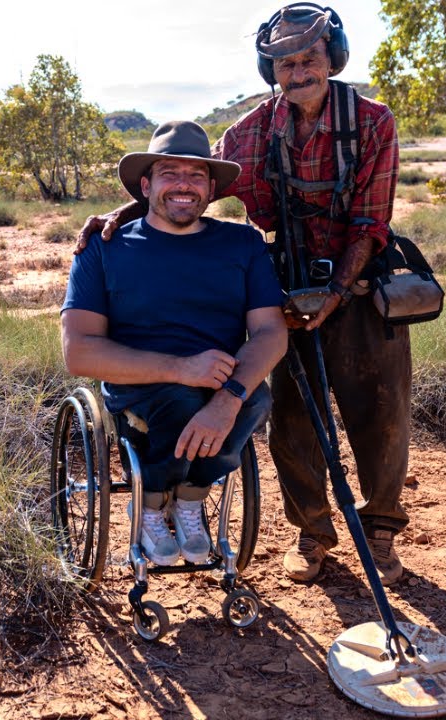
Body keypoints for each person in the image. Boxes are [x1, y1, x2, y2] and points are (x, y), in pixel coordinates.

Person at [77, 3, 410, 584]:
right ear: (270, 69)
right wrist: (121, 214)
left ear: (332, 58)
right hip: (284, 284)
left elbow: (371, 223)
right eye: (284, 62)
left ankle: (380, 533)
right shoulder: (248, 133)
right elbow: (187, 184)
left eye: (309, 58)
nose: (298, 70)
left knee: (379, 411)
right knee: (289, 417)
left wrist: (334, 291)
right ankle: (313, 535)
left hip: (358, 280)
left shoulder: (373, 122)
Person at [61, 120, 288, 566]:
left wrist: (227, 399)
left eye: (196, 175)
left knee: (256, 402)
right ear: (145, 185)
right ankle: (147, 506)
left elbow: (270, 332)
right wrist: (182, 369)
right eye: (170, 172)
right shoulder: (105, 248)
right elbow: (79, 351)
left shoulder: (242, 244)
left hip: (221, 379)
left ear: (210, 188)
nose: (184, 185)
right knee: (183, 398)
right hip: (140, 385)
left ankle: (189, 498)